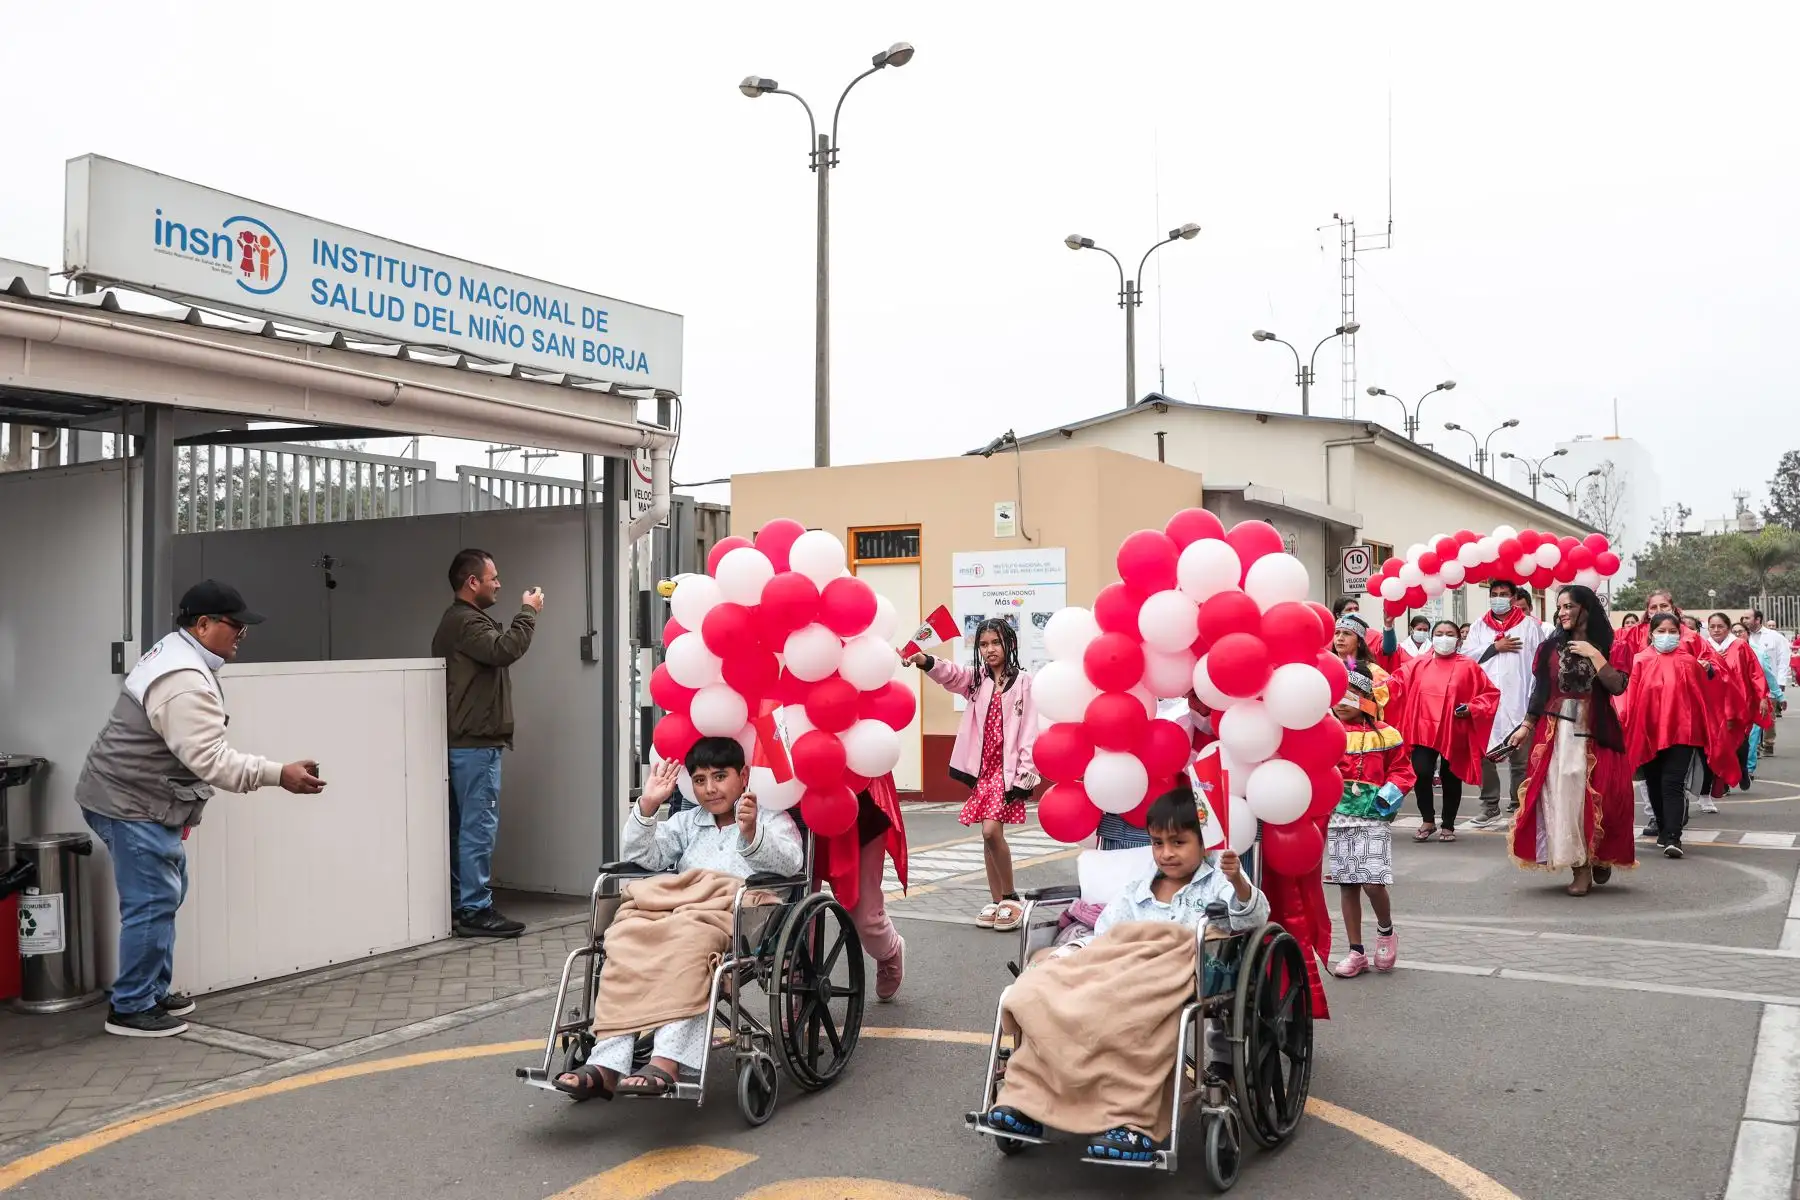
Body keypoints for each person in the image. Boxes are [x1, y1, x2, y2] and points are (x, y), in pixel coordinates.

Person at [75, 581, 325, 1037]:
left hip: (131, 795)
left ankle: (150, 989)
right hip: (130, 801)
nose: (241, 637)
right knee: (152, 900)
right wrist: (278, 774)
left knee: (165, 892)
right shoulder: (183, 680)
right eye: (236, 627)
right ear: (203, 624)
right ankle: (131, 1007)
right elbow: (211, 760)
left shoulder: (177, 654)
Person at [985, 786, 1266, 1161]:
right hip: (1121, 964)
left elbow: (1254, 919)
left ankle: (1133, 1122)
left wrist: (1238, 882)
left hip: (1175, 969)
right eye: (1158, 842)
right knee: (1041, 991)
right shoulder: (1136, 890)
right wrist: (1069, 958)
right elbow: (1107, 937)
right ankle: (1028, 1103)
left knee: (1128, 1013)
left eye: (1178, 842)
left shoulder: (1218, 883)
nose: (1166, 853)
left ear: (1203, 843)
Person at [553, 737, 804, 1100]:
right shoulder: (686, 822)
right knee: (623, 939)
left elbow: (791, 865)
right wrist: (650, 804)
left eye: (720, 776)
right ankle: (607, 1062)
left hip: (730, 914)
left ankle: (667, 1060)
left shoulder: (769, 817)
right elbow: (643, 857)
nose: (710, 788)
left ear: (743, 775)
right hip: (675, 909)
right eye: (700, 780)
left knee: (689, 947)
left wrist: (751, 834)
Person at [432, 549, 540, 939]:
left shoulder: (459, 621)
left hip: (467, 743)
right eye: (493, 577)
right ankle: (475, 909)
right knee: (477, 827)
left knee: (464, 827)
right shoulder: (465, 622)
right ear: (471, 582)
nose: (499, 584)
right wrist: (528, 612)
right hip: (474, 747)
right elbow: (504, 649)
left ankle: (463, 905)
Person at [906, 618, 1039, 930]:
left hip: (1006, 773)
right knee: (987, 837)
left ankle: (1010, 896)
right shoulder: (977, 680)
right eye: (983, 644)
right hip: (983, 771)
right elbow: (951, 675)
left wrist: (1025, 773)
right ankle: (997, 902)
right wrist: (925, 660)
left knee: (991, 832)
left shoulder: (1025, 683)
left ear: (1010, 645)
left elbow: (1031, 730)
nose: (990, 649)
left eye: (996, 643)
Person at [1505, 585, 1634, 895]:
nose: (1562, 612)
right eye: (1559, 607)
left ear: (1586, 609)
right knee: (1567, 796)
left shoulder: (1614, 645)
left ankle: (1600, 853)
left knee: (1607, 797)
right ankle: (1580, 867)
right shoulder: (1549, 648)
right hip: (1557, 733)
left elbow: (1617, 686)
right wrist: (1525, 726)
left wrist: (1593, 654)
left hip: (1598, 730)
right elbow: (1541, 692)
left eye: (1568, 606)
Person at [1326, 673, 1413, 978]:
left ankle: (1386, 931)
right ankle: (1355, 951)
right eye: (1336, 696)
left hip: (1373, 815)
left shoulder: (1386, 734)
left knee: (1372, 882)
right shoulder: (1327, 732)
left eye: (1349, 696)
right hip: (1338, 816)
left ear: (1365, 699)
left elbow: (1403, 771)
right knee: (1348, 884)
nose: (1341, 703)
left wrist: (1385, 800)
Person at [1384, 620, 1500, 843]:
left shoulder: (1469, 666)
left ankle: (1448, 823)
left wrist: (1472, 708)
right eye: (1439, 633)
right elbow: (1393, 684)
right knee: (1421, 771)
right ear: (1432, 636)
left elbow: (1490, 695)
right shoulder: (1417, 664)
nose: (1443, 638)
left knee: (1451, 775)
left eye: (1449, 634)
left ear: (1458, 640)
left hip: (1454, 729)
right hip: (1421, 729)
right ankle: (1428, 819)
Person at [1621, 613, 1718, 857]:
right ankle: (1664, 828)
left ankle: (1674, 837)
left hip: (1682, 733)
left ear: (1680, 633)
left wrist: (1708, 671)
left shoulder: (1688, 661)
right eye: (1661, 631)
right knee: (1653, 783)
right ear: (1651, 633)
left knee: (1672, 783)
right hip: (1648, 732)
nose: (1667, 636)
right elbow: (1629, 698)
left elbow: (1703, 696)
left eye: (1672, 631)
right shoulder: (1639, 661)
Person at [1463, 579, 1545, 830]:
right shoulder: (1479, 625)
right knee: (1485, 755)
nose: (1498, 598)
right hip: (1487, 702)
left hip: (1519, 699)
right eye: (1494, 594)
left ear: (1513, 598)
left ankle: (1519, 805)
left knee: (1520, 759)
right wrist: (1494, 647)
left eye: (1503, 594)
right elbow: (1466, 657)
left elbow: (1540, 661)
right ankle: (1489, 806)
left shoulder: (1529, 626)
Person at [1706, 612, 1771, 789]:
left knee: (1740, 740)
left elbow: (1755, 672)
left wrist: (1762, 696)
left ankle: (1741, 768)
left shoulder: (1740, 646)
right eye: (1712, 626)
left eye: (1720, 626)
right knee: (1719, 742)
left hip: (1739, 702)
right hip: (1714, 704)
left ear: (1728, 628)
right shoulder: (1704, 647)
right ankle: (1723, 781)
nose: (1716, 630)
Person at [1744, 609, 1791, 756]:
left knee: (1768, 715)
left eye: (1747, 618)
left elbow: (1783, 659)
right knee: (1752, 715)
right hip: (1750, 683)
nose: (1744, 620)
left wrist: (1780, 682)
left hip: (1770, 682)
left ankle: (1768, 743)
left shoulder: (1774, 637)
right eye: (1743, 618)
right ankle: (1754, 746)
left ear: (1757, 620)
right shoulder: (1743, 636)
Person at [1333, 615, 1390, 718]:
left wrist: (1347, 701)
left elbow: (1378, 710)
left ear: (1359, 642)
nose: (1340, 638)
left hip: (1364, 731)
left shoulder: (1376, 673)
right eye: (1337, 633)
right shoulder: (1324, 669)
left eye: (1346, 633)